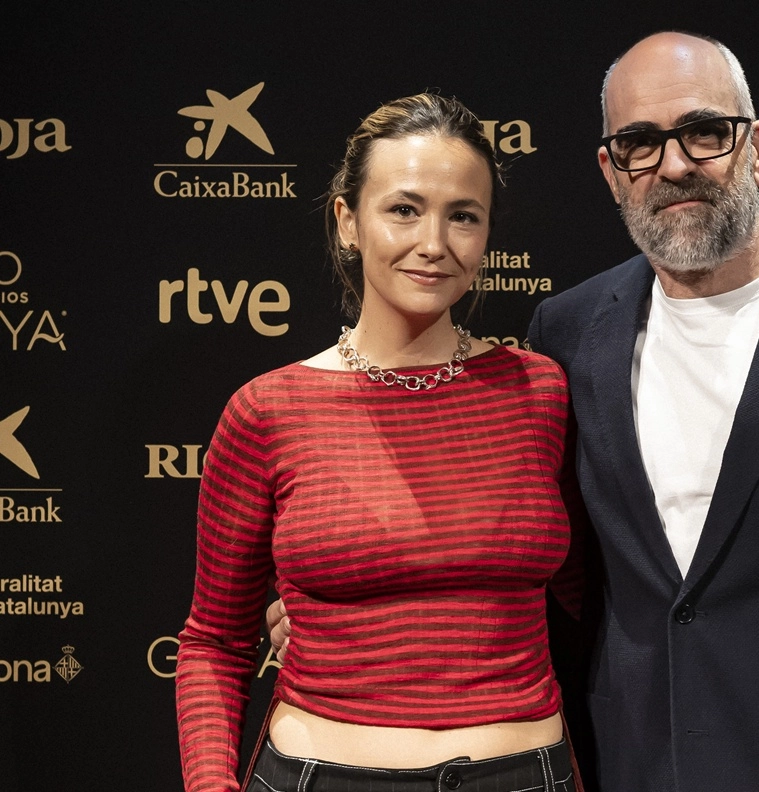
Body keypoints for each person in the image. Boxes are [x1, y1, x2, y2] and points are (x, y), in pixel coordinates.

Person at [273, 31, 759, 792]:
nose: (674, 164)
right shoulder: (567, 332)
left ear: (755, 147)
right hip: (620, 766)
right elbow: (521, 554)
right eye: (639, 144)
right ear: (611, 171)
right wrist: (340, 617)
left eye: (704, 133)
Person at [176, 93, 584, 792]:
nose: (434, 243)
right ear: (347, 222)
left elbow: (605, 599)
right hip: (320, 774)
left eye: (463, 216)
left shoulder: (539, 392)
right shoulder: (267, 410)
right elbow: (215, 643)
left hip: (526, 775)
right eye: (404, 208)